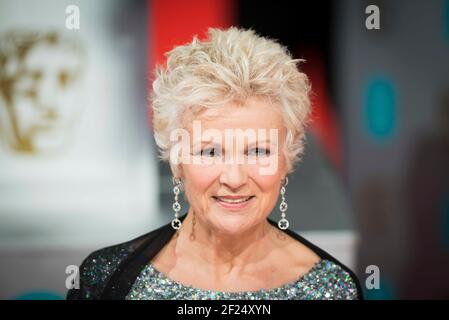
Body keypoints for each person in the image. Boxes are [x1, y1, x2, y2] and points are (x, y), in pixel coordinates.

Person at [67, 27, 363, 300]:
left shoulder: (333, 290)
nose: (234, 179)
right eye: (210, 153)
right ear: (177, 160)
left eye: (258, 152)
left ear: (287, 159)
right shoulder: (107, 281)